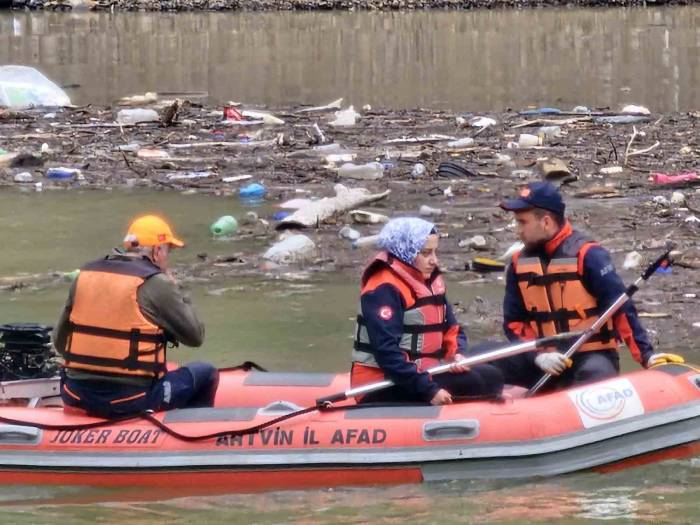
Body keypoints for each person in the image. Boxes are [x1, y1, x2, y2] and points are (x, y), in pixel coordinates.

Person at [495, 181, 682, 390]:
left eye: (522, 222)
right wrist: (538, 356)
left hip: (591, 356)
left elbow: (620, 307)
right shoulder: (519, 264)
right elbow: (514, 324)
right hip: (546, 359)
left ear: (546, 222)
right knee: (490, 365)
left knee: (592, 374)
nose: (517, 230)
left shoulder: (588, 255)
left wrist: (646, 356)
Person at [54, 215, 219, 418]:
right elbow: (195, 337)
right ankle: (191, 438)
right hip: (131, 401)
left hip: (75, 395)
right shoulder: (157, 283)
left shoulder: (84, 276)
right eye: (168, 251)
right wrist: (178, 291)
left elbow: (60, 343)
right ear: (158, 251)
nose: (168, 258)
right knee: (205, 372)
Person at [351, 217, 504, 405]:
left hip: (422, 372)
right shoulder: (384, 289)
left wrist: (457, 354)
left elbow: (451, 328)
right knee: (475, 382)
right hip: (381, 383)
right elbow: (387, 352)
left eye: (434, 252)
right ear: (405, 250)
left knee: (492, 376)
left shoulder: (427, 280)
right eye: (425, 253)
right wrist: (429, 390)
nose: (434, 260)